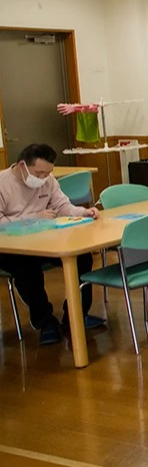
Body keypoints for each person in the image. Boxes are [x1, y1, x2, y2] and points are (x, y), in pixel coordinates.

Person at [0, 144, 101, 345]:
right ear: (22, 166)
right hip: (10, 248)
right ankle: (44, 321)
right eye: (39, 173)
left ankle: (75, 315)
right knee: (28, 268)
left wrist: (83, 212)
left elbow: (61, 205)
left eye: (48, 173)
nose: (43, 178)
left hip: (42, 240)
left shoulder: (48, 180)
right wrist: (32, 218)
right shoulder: (3, 183)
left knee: (82, 257)